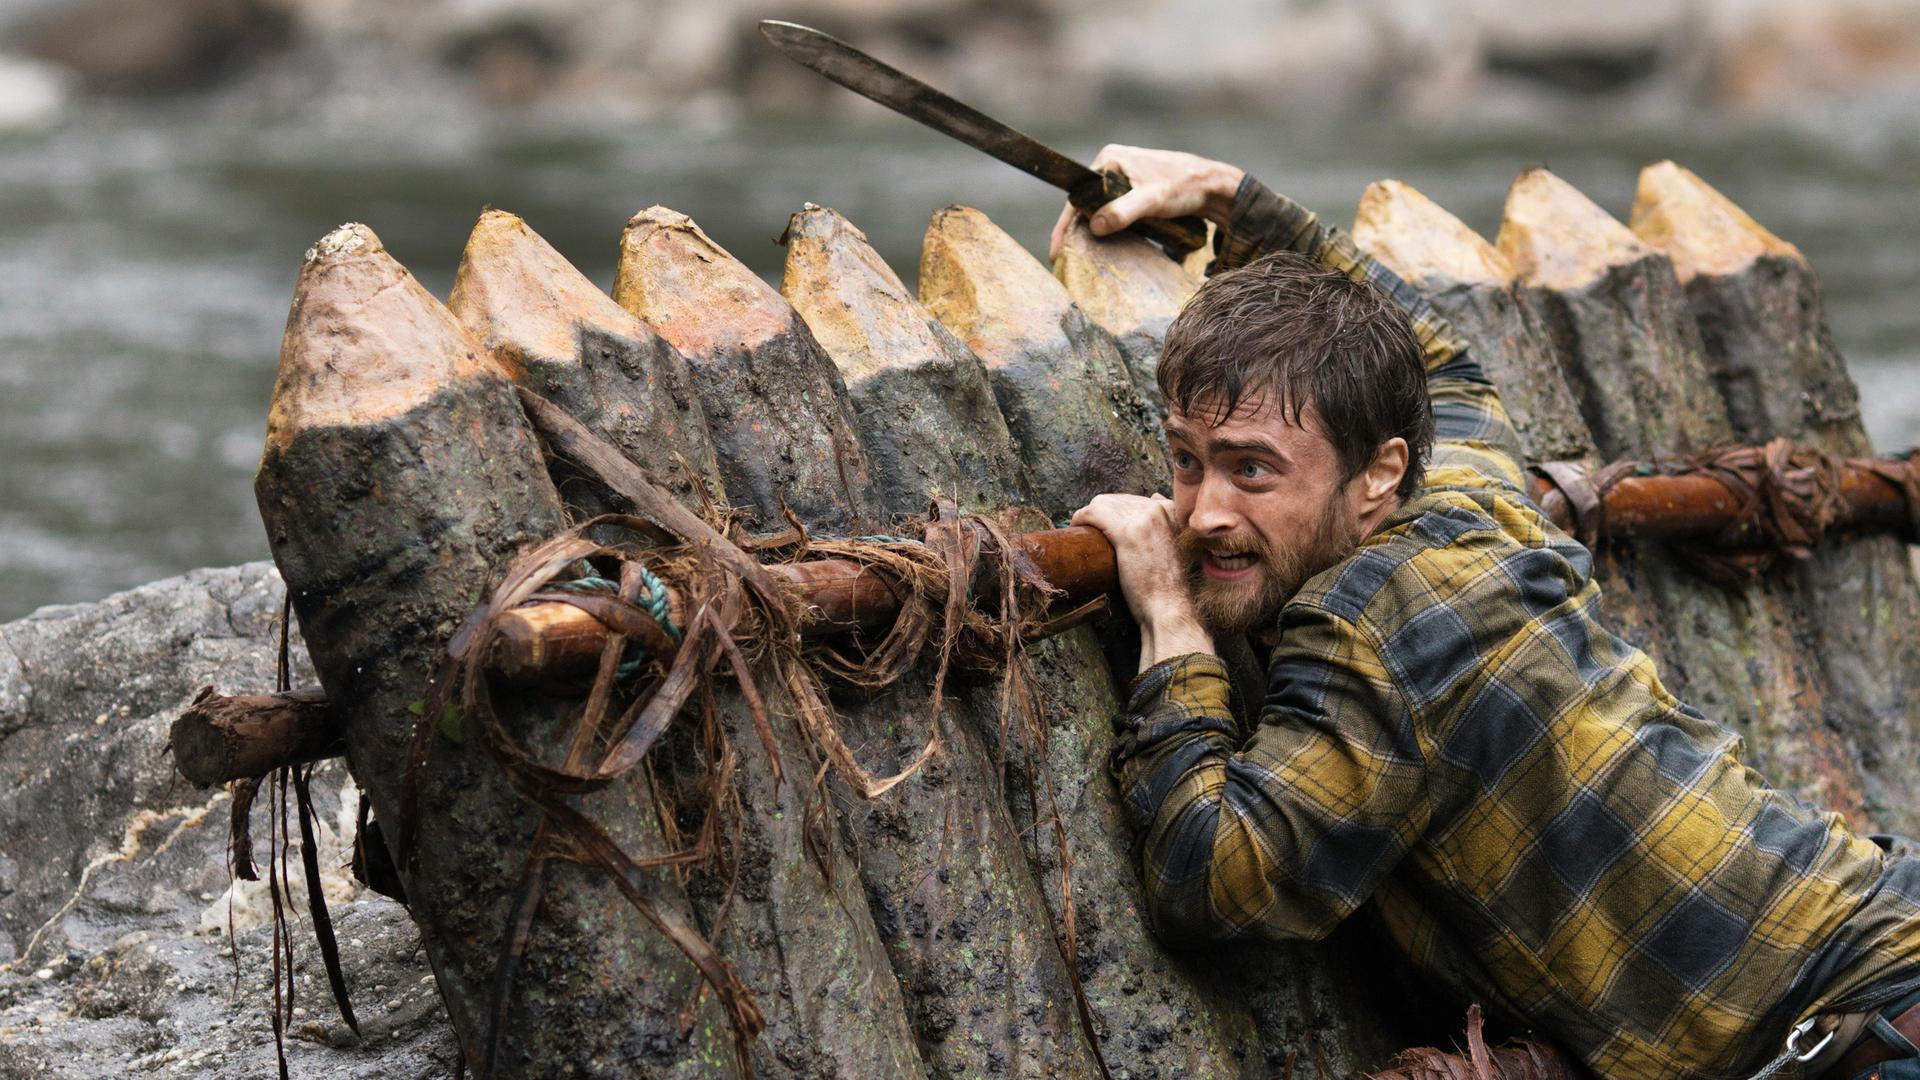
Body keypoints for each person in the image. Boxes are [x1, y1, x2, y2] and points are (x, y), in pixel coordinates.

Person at [1059, 146, 1920, 1080]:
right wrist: (1232, 198)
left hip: (1858, 1035)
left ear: (1379, 473)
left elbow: (1215, 881)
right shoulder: (1463, 487)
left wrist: (1170, 617)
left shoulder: (1369, 618)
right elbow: (1445, 367)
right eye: (1186, 460)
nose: (1202, 512)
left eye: (1252, 468)